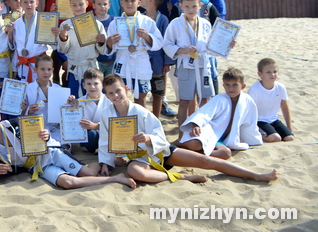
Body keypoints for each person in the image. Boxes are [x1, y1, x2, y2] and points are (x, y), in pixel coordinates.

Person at [98, 74, 277, 184]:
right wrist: (106, 162)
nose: (115, 96)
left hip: (160, 152)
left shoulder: (141, 112)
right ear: (106, 95)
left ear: (126, 89)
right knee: (135, 172)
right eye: (111, 93)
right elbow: (105, 140)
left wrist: (148, 138)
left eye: (118, 91)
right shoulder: (106, 114)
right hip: (140, 159)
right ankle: (182, 177)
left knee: (206, 162)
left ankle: (256, 175)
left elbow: (159, 135)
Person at [0, 101, 135, 189]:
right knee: (68, 183)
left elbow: (39, 132)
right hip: (37, 167)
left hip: (50, 152)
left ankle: (103, 163)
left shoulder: (15, 124)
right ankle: (115, 178)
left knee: (88, 174)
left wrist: (45, 135)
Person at [178, 68, 263, 159]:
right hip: (211, 132)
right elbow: (204, 113)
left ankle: (196, 154)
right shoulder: (219, 99)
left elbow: (250, 122)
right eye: (227, 85)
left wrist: (252, 137)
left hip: (225, 139)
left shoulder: (247, 101)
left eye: (235, 85)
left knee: (225, 153)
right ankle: (178, 144)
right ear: (223, 86)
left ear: (242, 86)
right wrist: (196, 124)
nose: (231, 88)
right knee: (195, 144)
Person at [163, 0, 217, 127]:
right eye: (187, 6)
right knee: (185, 101)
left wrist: (227, 45)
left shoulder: (205, 24)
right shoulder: (175, 23)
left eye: (193, 6)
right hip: (185, 65)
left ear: (199, 5)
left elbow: (212, 45)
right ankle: (182, 134)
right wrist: (182, 50)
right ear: (181, 6)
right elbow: (167, 44)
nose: (190, 9)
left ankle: (204, 130)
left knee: (206, 99)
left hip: (203, 65)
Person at [105, 0, 163, 106]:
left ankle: (140, 123)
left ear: (139, 3)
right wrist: (110, 42)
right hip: (123, 61)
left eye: (133, 0)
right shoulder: (115, 23)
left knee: (141, 98)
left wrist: (147, 37)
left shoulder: (147, 21)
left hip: (140, 62)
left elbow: (159, 42)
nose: (129, 3)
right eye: (126, 1)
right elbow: (108, 47)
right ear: (121, 3)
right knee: (120, 97)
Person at [57, 0, 106, 96]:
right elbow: (62, 49)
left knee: (94, 98)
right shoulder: (65, 25)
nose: (78, 7)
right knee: (75, 99)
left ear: (87, 3)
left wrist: (101, 42)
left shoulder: (97, 24)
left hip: (91, 67)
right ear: (70, 5)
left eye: (81, 4)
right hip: (75, 69)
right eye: (74, 5)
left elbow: (102, 51)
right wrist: (64, 39)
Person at [140, 0, 173, 118]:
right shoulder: (139, 17)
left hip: (158, 63)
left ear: (151, 0)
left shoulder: (163, 19)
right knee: (141, 93)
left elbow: (167, 42)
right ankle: (143, 119)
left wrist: (167, 63)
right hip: (141, 61)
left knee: (157, 93)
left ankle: (156, 119)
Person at [249, 58, 294, 142]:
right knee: (275, 138)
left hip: (274, 120)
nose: (272, 74)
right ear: (260, 74)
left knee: (289, 137)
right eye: (268, 72)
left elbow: (285, 107)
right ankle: (261, 135)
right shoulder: (254, 89)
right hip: (260, 120)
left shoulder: (280, 87)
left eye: (275, 72)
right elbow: (249, 109)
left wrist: (289, 128)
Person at [10, 0, 47, 83]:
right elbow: (16, 48)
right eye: (25, 2)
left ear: (37, 3)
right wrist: (14, 68)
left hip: (38, 64)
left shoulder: (44, 21)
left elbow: (54, 46)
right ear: (21, 4)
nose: (29, 5)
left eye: (31, 2)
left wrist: (54, 35)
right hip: (22, 65)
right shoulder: (17, 23)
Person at [66, 68, 106, 153]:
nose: (92, 87)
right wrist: (70, 107)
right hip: (88, 135)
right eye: (89, 84)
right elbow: (72, 120)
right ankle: (90, 148)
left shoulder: (109, 101)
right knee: (91, 134)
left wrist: (95, 125)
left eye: (96, 83)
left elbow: (111, 122)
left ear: (102, 85)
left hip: (105, 133)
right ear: (84, 85)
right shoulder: (79, 102)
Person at [92, 0, 115, 76]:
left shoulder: (115, 20)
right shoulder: (90, 22)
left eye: (105, 4)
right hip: (96, 60)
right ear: (93, 5)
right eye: (99, 4)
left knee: (110, 85)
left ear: (109, 5)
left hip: (112, 59)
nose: (102, 7)